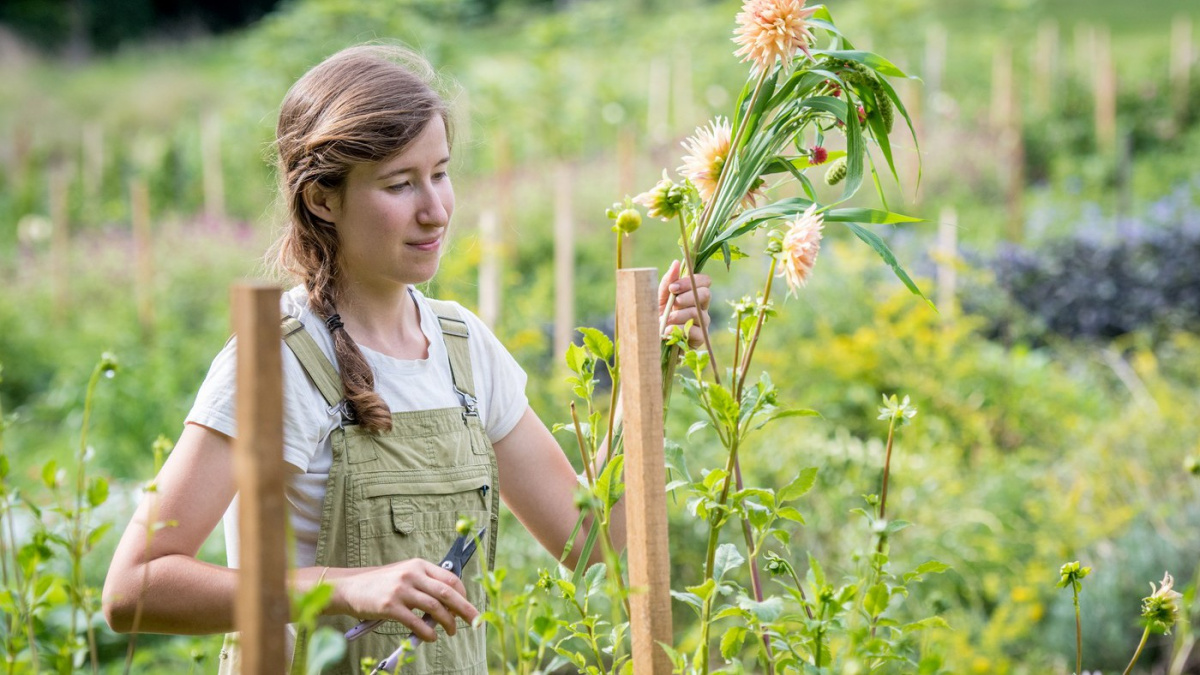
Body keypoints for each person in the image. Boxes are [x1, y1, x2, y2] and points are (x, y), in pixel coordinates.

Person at [101, 44, 711, 674]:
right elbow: (134, 590)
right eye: (400, 184)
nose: (436, 209)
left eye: (440, 173)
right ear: (322, 199)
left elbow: (593, 546)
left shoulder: (463, 348)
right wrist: (344, 587)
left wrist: (651, 367)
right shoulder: (277, 361)